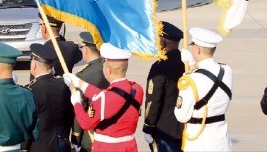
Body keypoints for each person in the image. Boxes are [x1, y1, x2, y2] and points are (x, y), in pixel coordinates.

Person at [64, 43, 144, 152]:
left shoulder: (104, 98)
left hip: (107, 148)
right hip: (129, 146)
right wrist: (80, 83)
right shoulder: (137, 88)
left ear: (108, 70)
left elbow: (85, 123)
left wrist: (76, 103)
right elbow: (111, 95)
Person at [174, 28, 233, 151]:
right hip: (221, 142)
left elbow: (182, 116)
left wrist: (189, 71)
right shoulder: (227, 70)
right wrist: (192, 66)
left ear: (198, 50)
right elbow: (209, 72)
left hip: (199, 143)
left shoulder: (190, 79)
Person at [24, 43, 74, 152]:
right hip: (61, 142)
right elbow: (70, 114)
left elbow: (27, 124)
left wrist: (24, 148)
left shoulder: (30, 90)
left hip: (39, 145)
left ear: (34, 65)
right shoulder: (63, 85)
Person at [143, 21, 185, 152]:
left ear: (162, 43)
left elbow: (154, 100)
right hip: (185, 128)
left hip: (164, 130)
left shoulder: (159, 67)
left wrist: (148, 126)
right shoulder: (186, 63)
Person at [70, 33, 109, 152]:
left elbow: (80, 108)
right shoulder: (109, 69)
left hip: (89, 135)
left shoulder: (83, 75)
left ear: (86, 50)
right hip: (108, 131)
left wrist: (76, 136)